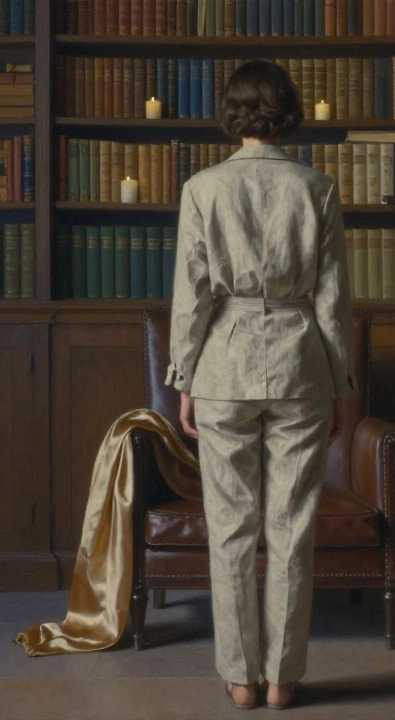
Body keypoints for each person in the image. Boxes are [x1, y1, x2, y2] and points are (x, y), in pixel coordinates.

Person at [164, 59, 355, 711]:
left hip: (223, 363)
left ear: (233, 114)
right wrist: (340, 385)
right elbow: (332, 300)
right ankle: (282, 679)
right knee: (292, 526)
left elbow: (190, 297)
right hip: (300, 363)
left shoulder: (202, 189)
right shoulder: (317, 188)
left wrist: (184, 377)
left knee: (231, 525)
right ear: (290, 113)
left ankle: (240, 678)